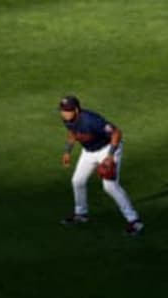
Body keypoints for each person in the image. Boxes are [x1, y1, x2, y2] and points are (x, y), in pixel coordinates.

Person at [59, 95, 144, 236]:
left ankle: (135, 221)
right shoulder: (67, 119)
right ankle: (81, 214)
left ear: (77, 110)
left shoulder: (91, 120)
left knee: (110, 186)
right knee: (77, 181)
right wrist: (68, 151)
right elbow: (72, 132)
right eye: (62, 110)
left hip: (108, 149)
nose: (64, 113)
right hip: (89, 151)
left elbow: (116, 133)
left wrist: (110, 156)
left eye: (68, 110)